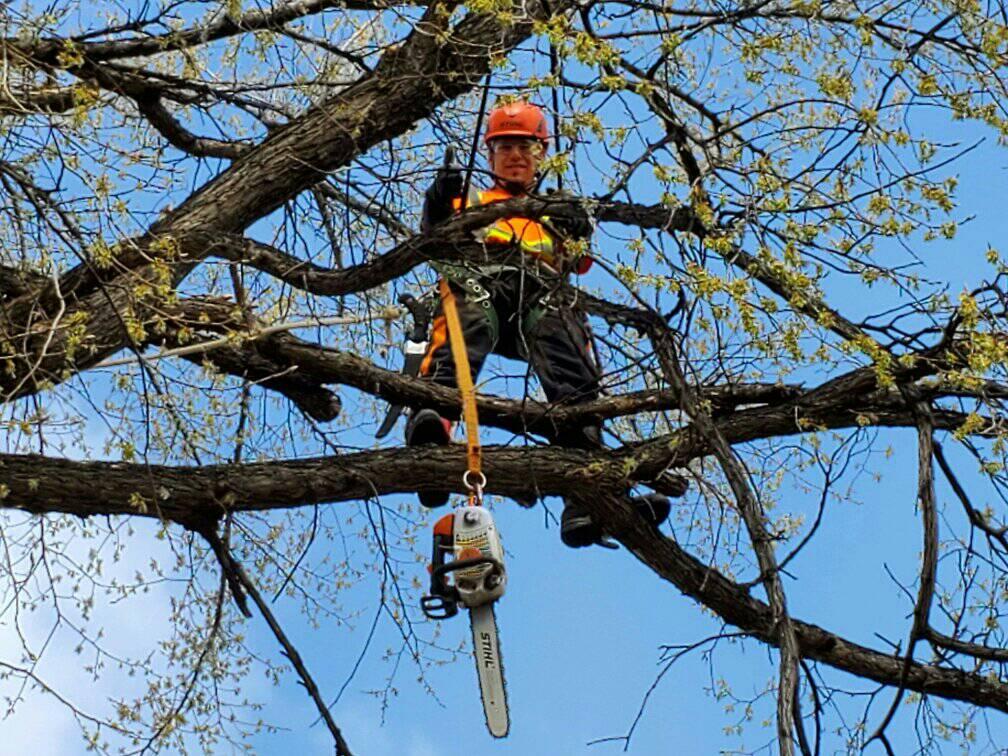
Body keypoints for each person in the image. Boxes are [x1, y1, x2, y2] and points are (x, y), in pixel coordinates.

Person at [407, 100, 679, 548]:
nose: (516, 155)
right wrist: (438, 200)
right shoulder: (468, 200)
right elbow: (432, 238)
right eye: (506, 147)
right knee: (467, 318)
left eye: (526, 147)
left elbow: (578, 261)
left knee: (565, 344)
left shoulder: (555, 209)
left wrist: (578, 228)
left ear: (542, 155)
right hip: (482, 280)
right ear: (490, 155)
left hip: (540, 292)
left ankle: (585, 486)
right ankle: (433, 422)